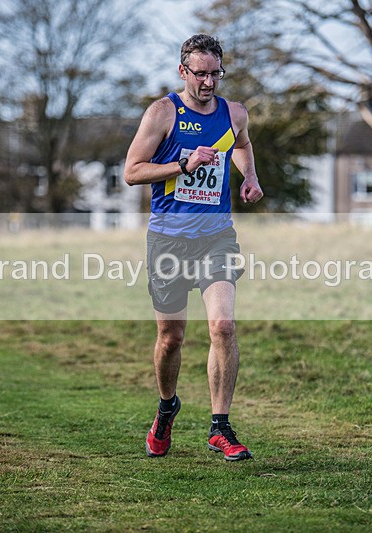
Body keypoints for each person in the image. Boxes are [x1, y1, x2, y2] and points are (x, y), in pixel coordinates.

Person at [124, 34, 263, 461]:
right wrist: (183, 164)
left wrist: (250, 177)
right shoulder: (162, 113)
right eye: (200, 73)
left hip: (216, 236)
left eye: (214, 73)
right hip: (168, 238)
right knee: (171, 337)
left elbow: (241, 145)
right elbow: (132, 171)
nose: (208, 82)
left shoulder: (234, 113)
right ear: (183, 71)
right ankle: (167, 408)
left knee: (222, 326)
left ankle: (220, 427)